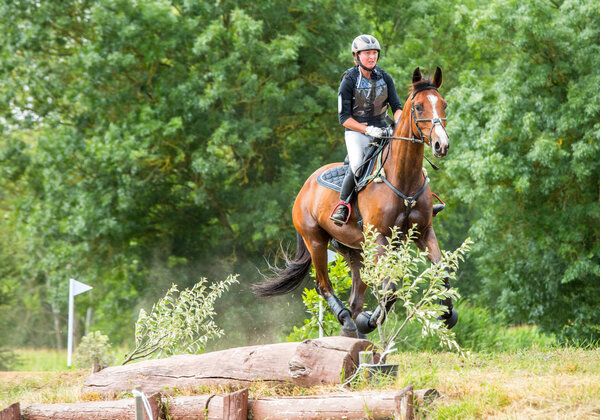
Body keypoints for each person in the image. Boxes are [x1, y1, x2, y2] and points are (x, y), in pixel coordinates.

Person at [330, 34, 403, 225]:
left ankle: (421, 201)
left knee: (405, 157)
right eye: (367, 53)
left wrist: (400, 123)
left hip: (384, 130)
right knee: (357, 165)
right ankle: (343, 205)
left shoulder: (385, 78)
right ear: (357, 56)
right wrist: (367, 129)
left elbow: (396, 106)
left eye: (374, 53)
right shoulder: (349, 80)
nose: (371, 57)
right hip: (357, 133)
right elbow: (344, 118)